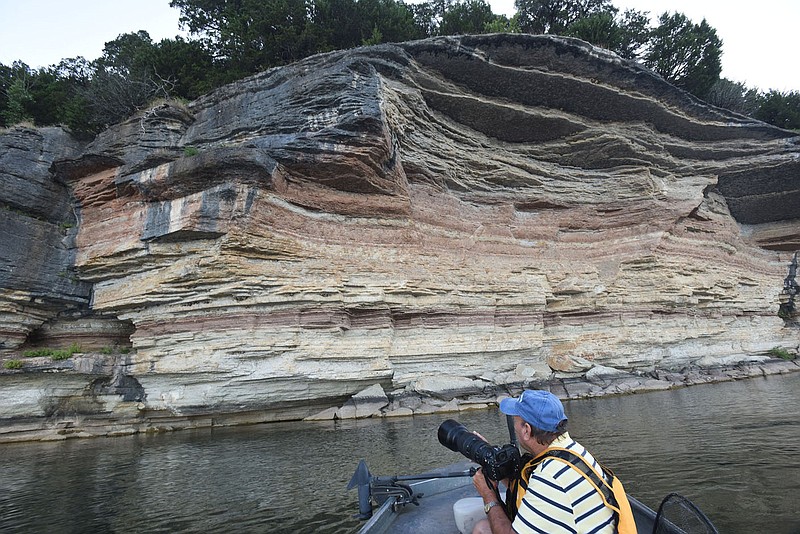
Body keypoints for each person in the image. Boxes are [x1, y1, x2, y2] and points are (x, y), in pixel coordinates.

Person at [471, 389, 617, 534]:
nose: (514, 427)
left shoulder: (549, 476)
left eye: (515, 420)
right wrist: (491, 461)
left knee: (481, 529)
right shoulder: (572, 451)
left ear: (526, 430)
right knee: (483, 528)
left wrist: (488, 494)